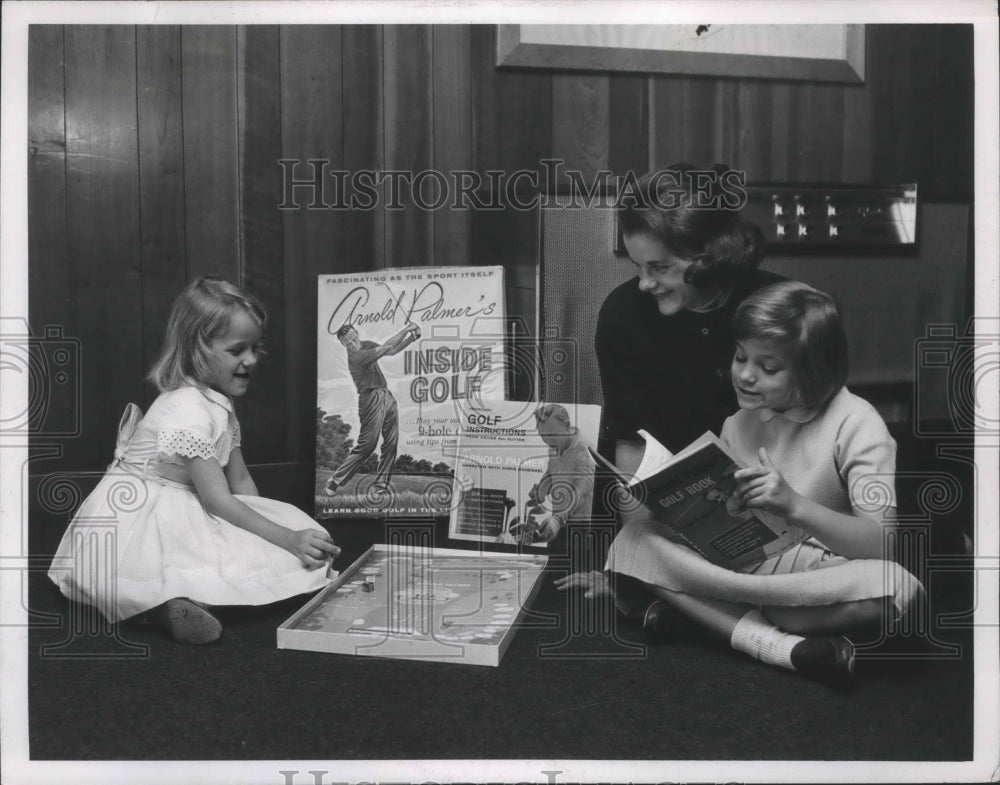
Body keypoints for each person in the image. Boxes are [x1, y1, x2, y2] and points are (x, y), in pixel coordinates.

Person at [558, 282, 924, 689]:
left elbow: (883, 544)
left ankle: (715, 619)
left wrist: (793, 505)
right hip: (746, 569)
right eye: (739, 357)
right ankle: (774, 642)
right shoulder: (739, 421)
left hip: (818, 572)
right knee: (635, 539)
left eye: (768, 368)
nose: (746, 375)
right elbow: (718, 523)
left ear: (814, 370)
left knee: (896, 586)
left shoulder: (858, 423)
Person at [47, 276, 341, 645]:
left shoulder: (216, 402)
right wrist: (286, 539)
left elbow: (240, 481)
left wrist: (274, 533)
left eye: (255, 348)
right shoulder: (186, 410)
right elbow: (218, 500)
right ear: (199, 349)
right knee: (144, 574)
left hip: (188, 498)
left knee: (276, 547)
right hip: (140, 512)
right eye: (237, 350)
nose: (251, 360)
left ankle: (188, 598)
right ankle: (160, 609)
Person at [591, 163, 785, 628]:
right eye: (638, 266)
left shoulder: (779, 305)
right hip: (667, 508)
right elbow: (631, 450)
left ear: (710, 258)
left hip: (772, 493)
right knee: (636, 552)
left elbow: (814, 435)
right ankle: (734, 609)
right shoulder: (622, 314)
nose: (644, 282)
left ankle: (700, 606)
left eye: (659, 267)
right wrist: (636, 554)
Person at [323, 321, 420, 496]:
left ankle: (380, 486)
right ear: (343, 345)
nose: (352, 344)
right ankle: (335, 480)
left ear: (357, 334)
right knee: (368, 445)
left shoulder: (366, 345)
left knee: (391, 442)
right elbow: (387, 346)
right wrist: (406, 329)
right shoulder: (355, 358)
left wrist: (411, 338)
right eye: (347, 343)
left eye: (353, 339)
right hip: (370, 399)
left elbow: (391, 351)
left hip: (386, 395)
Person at [520, 404, 596, 544]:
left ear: (567, 426)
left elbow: (580, 493)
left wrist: (557, 519)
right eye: (543, 436)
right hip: (558, 522)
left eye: (552, 435)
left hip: (580, 527)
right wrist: (541, 489)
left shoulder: (585, 453)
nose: (548, 441)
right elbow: (551, 472)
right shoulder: (554, 448)